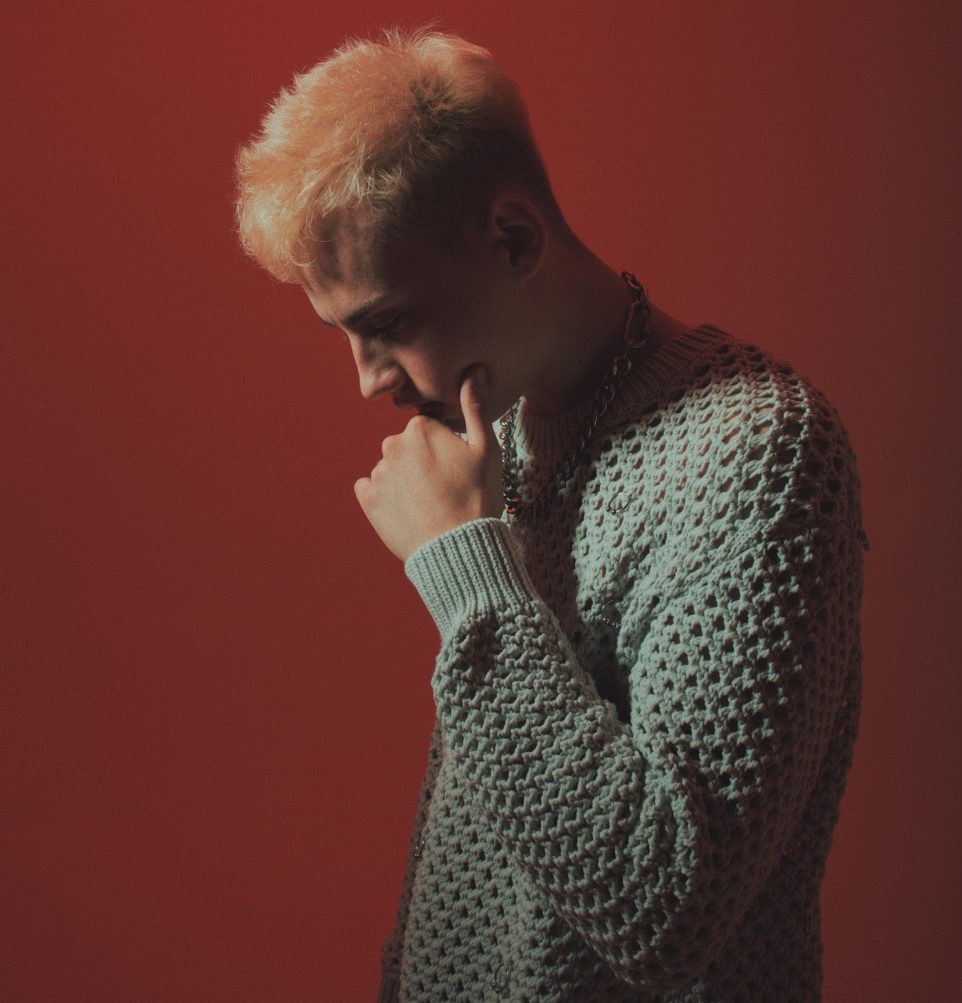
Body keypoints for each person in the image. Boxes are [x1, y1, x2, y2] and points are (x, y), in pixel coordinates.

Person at [234, 26, 866, 1003]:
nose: (366, 381)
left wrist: (467, 571)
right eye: (341, 332)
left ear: (514, 240)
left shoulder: (761, 455)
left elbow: (662, 911)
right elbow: (483, 852)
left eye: (387, 322)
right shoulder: (502, 428)